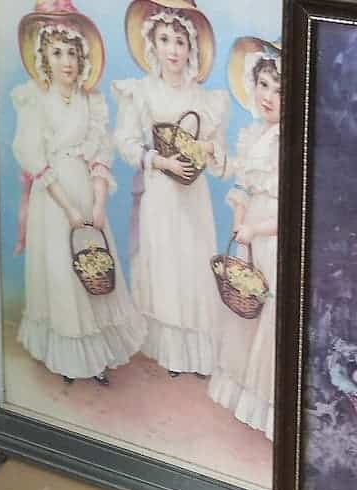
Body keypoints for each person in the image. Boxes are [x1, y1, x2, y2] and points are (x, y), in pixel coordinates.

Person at [11, 0, 145, 386]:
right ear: (44, 58)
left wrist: (99, 202)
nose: (66, 61)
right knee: (61, 266)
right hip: (54, 197)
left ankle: (98, 354)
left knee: (94, 265)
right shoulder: (32, 99)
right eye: (57, 53)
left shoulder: (92, 101)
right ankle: (68, 355)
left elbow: (101, 150)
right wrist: (68, 208)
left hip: (85, 189)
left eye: (72, 52)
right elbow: (32, 153)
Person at [112, 0, 228, 378]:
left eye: (180, 41)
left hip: (192, 196)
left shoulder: (204, 99)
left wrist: (203, 149)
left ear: (190, 47)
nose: (173, 50)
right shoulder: (140, 92)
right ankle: (168, 349)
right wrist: (161, 162)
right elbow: (127, 141)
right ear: (153, 45)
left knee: (193, 262)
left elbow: (216, 149)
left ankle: (196, 352)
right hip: (159, 193)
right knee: (164, 263)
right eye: (165, 40)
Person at [206, 37, 281, 440]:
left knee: (268, 311)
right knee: (243, 310)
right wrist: (240, 227)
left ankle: (265, 402)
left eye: (279, 89)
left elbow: (289, 209)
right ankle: (238, 390)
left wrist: (256, 230)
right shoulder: (252, 135)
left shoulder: (288, 143)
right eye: (264, 85)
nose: (268, 96)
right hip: (249, 233)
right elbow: (241, 186)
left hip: (272, 236)